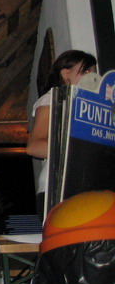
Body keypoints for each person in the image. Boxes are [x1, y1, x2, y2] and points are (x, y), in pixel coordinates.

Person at [26, 49, 97, 219]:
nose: (94, 77)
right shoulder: (51, 100)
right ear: (66, 73)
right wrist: (78, 149)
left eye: (94, 72)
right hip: (58, 189)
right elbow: (34, 147)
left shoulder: (90, 108)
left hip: (87, 189)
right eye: (87, 71)